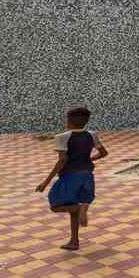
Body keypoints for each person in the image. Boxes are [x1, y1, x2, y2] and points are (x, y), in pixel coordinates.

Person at [36, 107, 108, 250]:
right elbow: (104, 153)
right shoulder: (92, 134)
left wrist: (46, 182)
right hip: (87, 175)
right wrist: (90, 159)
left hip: (70, 176)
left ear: (69, 121)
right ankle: (74, 241)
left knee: (55, 205)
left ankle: (79, 209)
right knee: (73, 210)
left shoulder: (62, 137)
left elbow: (62, 160)